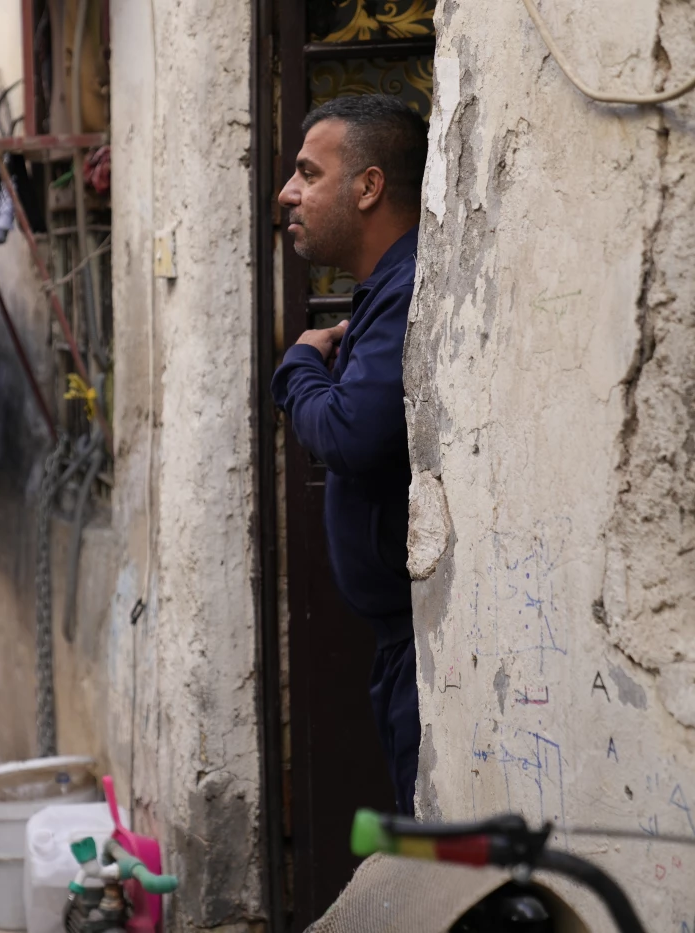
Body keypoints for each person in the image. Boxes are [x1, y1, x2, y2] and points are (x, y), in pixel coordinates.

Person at [271, 95, 428, 816]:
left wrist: (298, 364)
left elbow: (348, 434)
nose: (288, 192)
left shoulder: (404, 292)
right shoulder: (385, 291)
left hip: (424, 650)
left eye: (308, 172)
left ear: (368, 187)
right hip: (404, 644)